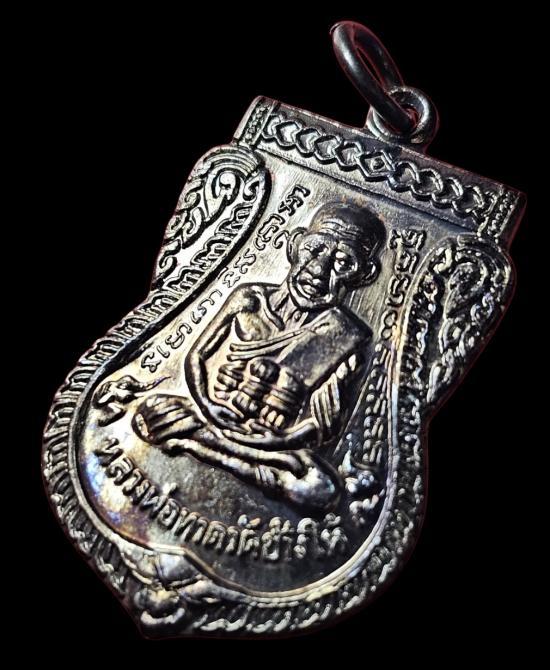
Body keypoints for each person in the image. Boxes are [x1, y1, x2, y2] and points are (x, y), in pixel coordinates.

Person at [133, 202, 385, 511]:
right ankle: (221, 451)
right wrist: (208, 405)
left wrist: (274, 441)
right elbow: (197, 356)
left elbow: (322, 426)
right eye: (314, 250)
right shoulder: (249, 298)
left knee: (321, 489)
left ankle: (196, 446)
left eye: (343, 262)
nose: (318, 270)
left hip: (270, 446)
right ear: (295, 245)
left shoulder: (345, 335)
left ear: (364, 274)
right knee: (153, 411)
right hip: (212, 415)